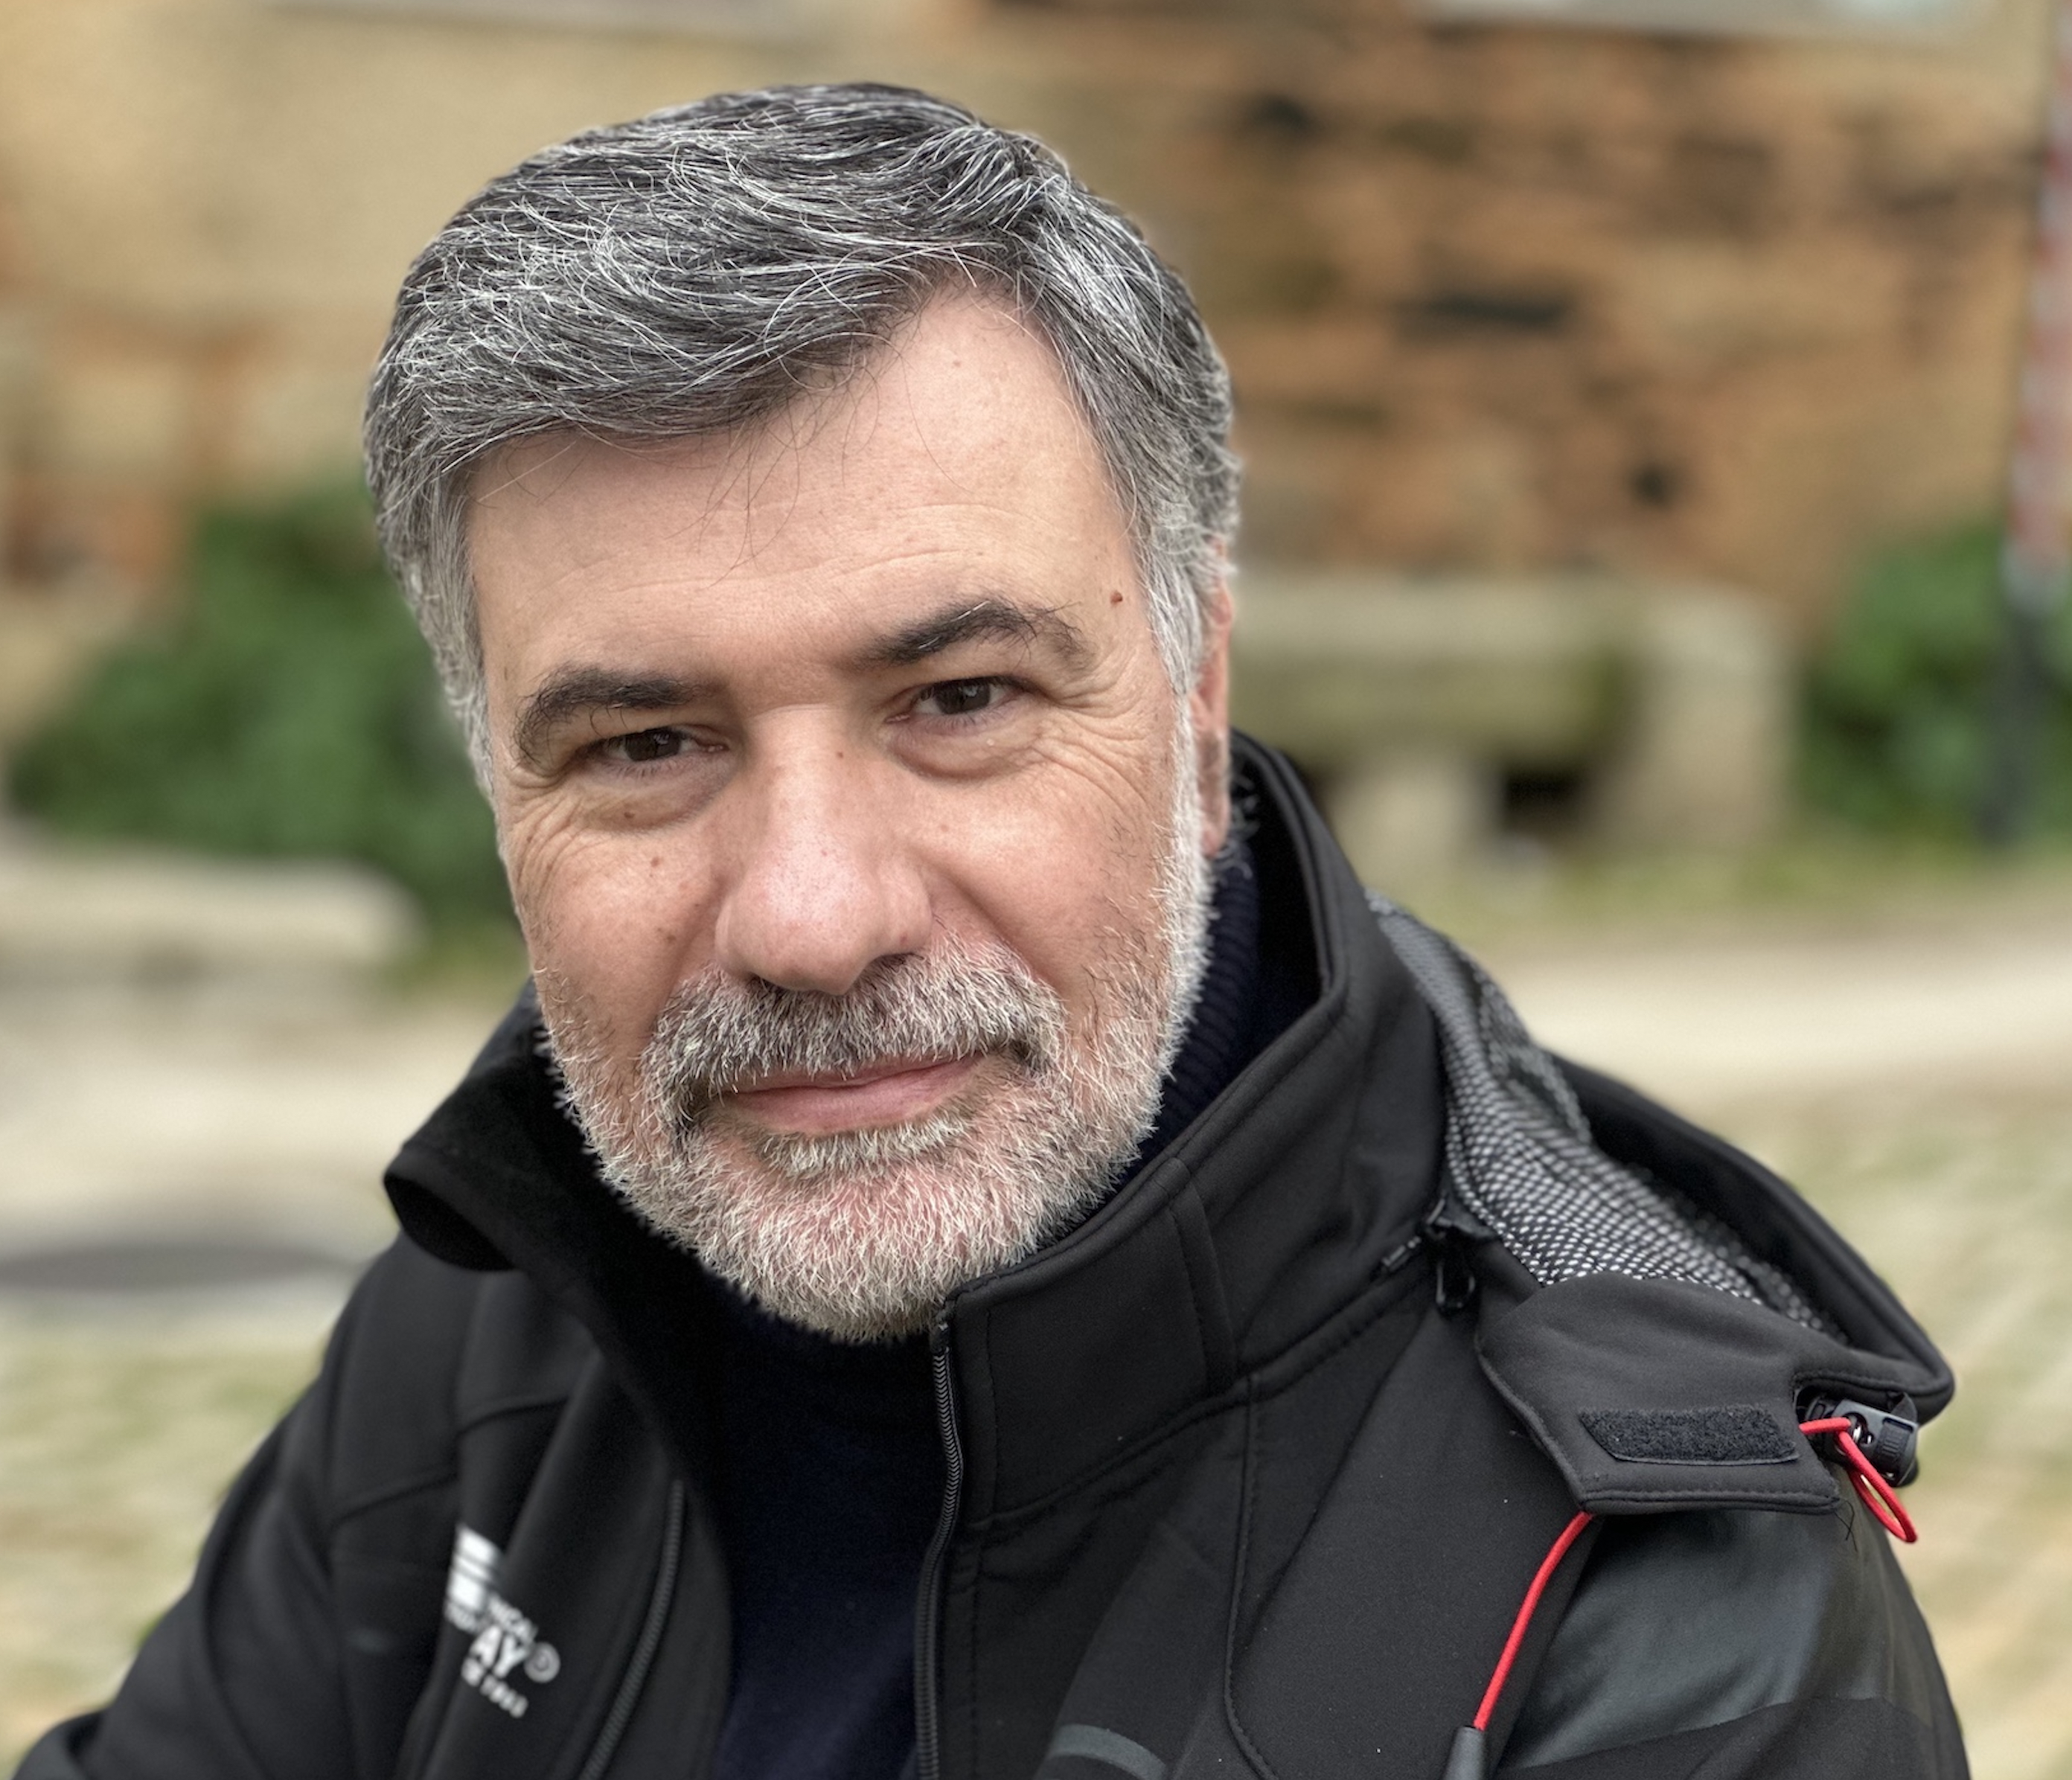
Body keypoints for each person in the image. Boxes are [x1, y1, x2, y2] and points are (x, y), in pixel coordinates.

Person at [18, 84, 1966, 1780]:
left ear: (1196, 699)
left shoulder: (1652, 1588)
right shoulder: (507, 1304)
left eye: (958, 702)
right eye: (646, 744)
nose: (812, 919)